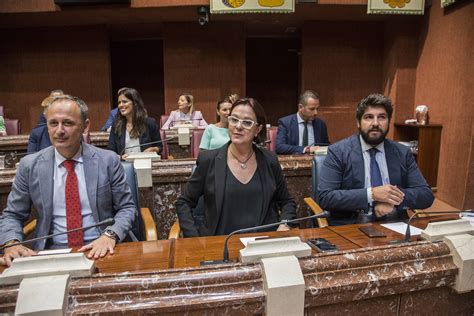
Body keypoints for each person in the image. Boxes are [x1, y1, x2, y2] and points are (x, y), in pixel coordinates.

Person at [0, 94, 136, 266]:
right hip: (49, 253)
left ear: (85, 126)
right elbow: (12, 215)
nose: (59, 131)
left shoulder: (108, 161)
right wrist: (12, 243)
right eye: (53, 123)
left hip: (101, 248)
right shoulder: (30, 166)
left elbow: (127, 208)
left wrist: (109, 235)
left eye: (68, 123)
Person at [176, 98, 297, 237]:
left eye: (247, 122)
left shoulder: (269, 160)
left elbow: (287, 201)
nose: (238, 126)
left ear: (258, 129)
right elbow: (184, 202)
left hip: (263, 244)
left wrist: (284, 224)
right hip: (221, 245)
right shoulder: (208, 160)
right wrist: (194, 239)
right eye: (234, 119)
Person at [318, 93, 434, 225]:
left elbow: (426, 195)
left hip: (394, 224)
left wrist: (392, 199)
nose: (375, 123)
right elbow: (325, 197)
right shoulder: (338, 152)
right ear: (358, 122)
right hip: (352, 224)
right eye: (368, 117)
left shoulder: (402, 153)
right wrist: (372, 194)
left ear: (389, 121)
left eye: (382, 117)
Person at [107, 87, 162, 159]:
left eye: (124, 102)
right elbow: (110, 150)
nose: (120, 105)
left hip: (145, 163)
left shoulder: (150, 123)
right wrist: (120, 157)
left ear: (135, 103)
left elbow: (160, 147)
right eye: (119, 103)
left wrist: (154, 149)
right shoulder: (116, 125)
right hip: (124, 165)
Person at [276, 90, 330, 155]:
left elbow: (326, 146)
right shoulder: (285, 123)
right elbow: (279, 147)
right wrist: (306, 150)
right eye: (312, 109)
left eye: (317, 108)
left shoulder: (320, 124)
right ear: (300, 107)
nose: (316, 113)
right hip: (294, 163)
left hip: (316, 163)